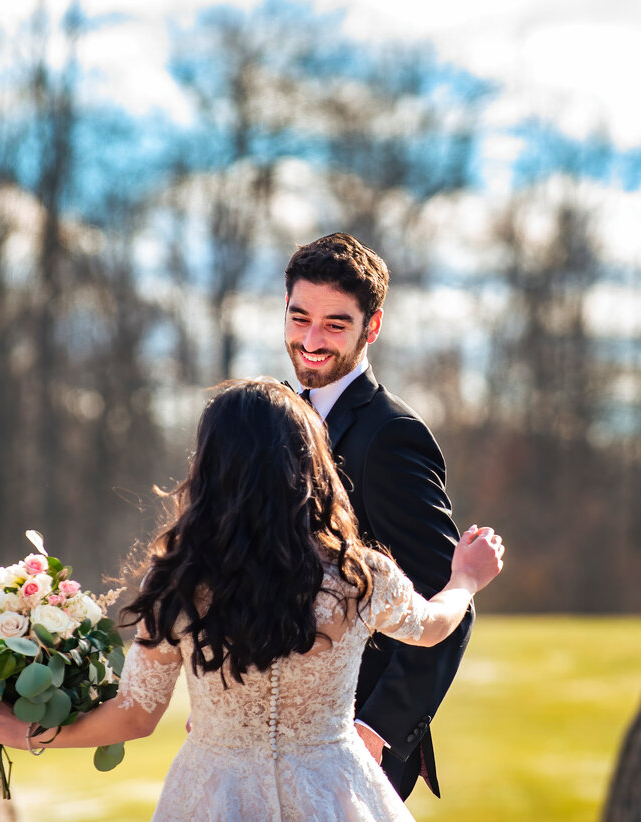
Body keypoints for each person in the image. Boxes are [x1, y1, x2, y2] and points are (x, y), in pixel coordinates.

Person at [0, 379, 504, 821]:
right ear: (310, 464)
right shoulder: (358, 574)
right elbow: (434, 627)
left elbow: (133, 718)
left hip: (212, 796)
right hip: (336, 792)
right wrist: (466, 579)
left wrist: (28, 733)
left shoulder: (179, 581)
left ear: (211, 468)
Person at [282, 232, 467, 799]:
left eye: (335, 324)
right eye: (299, 317)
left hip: (351, 748)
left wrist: (376, 731)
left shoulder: (392, 437)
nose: (312, 340)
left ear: (372, 327)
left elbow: (443, 600)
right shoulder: (274, 420)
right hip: (273, 735)